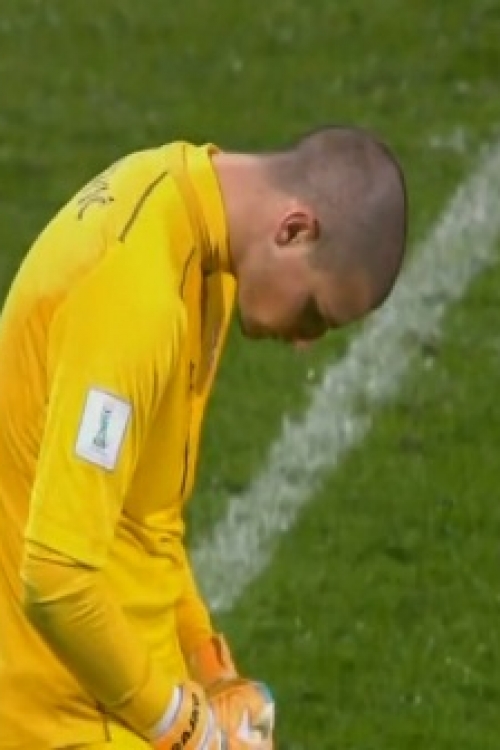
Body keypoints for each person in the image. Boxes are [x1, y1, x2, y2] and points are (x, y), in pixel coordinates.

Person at [0, 126, 408, 749]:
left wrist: (211, 670)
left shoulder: (197, 238)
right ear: (294, 230)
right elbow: (57, 578)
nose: (305, 342)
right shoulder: (134, 300)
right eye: (314, 313)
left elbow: (149, 519)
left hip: (111, 686)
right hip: (57, 715)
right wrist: (187, 729)